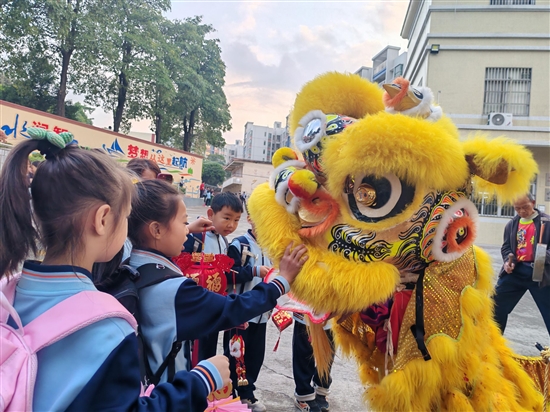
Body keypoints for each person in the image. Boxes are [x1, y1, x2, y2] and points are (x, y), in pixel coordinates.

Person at [0, 133, 231, 411]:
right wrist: (201, 380)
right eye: (126, 217)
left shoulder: (8, 293)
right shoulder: (108, 327)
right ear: (102, 219)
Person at [126, 180, 308, 385]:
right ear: (156, 230)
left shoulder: (130, 265)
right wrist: (282, 280)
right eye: (184, 223)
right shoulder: (171, 289)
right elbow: (233, 308)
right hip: (166, 389)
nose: (188, 230)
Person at [183, 191, 243, 361]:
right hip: (194, 306)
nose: (231, 225)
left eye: (236, 220)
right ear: (211, 214)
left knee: (208, 349)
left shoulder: (224, 241)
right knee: (193, 352)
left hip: (213, 306)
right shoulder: (194, 237)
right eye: (227, 218)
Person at [223, 213, 272, 412]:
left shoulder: (271, 247)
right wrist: (253, 271)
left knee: (255, 356)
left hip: (261, 315)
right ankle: (231, 393)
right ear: (251, 218)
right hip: (241, 314)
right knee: (236, 356)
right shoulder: (239, 245)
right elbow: (228, 275)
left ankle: (246, 393)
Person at [493, 193, 550, 336]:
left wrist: (543, 256)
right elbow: (506, 247)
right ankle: (494, 343)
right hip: (516, 272)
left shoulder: (547, 222)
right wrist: (508, 261)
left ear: (533, 203)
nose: (522, 211)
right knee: (496, 306)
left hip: (540, 273)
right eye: (517, 208)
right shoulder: (512, 224)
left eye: (525, 207)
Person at [292, 315, 334, 412]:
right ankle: (304, 393)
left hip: (333, 311)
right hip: (307, 311)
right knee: (304, 349)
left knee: (328, 350)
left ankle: (321, 385)